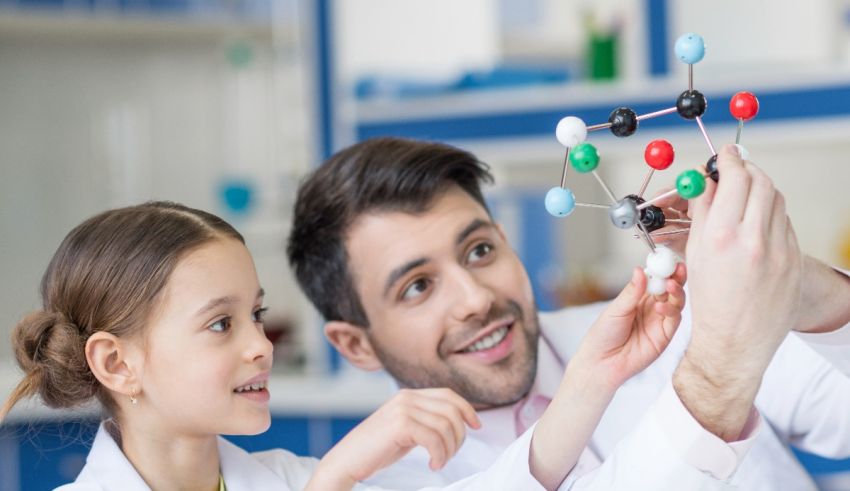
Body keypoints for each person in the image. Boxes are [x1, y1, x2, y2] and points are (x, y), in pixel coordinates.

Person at [1, 201, 686, 491]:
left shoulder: (288, 479)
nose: (260, 344)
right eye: (220, 323)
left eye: (257, 314)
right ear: (117, 362)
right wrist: (335, 477)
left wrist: (593, 377)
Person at [287, 137, 850, 490]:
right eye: (417, 287)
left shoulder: (665, 319)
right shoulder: (384, 479)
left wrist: (803, 292)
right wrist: (717, 375)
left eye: (479, 250)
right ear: (354, 344)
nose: (476, 298)